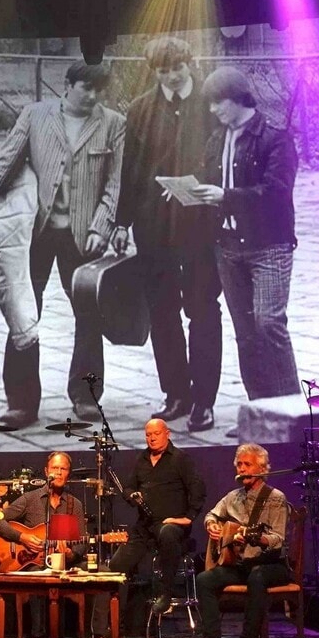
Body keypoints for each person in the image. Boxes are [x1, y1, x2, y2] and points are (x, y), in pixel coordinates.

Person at [0, 62, 126, 428]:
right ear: (67, 85)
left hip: (83, 234)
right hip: (35, 231)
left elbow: (115, 183)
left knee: (89, 311)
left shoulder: (113, 124)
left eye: (99, 90)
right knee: (23, 311)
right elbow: (5, 164)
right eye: (86, 88)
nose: (93, 96)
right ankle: (21, 402)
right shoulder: (35, 115)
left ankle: (86, 395)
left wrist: (102, 226)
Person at [111, 36, 223, 432]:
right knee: (162, 310)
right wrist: (122, 222)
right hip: (153, 225)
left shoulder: (210, 103)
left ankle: (204, 401)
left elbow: (221, 156)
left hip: (199, 225)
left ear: (189, 64)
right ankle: (176, 394)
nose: (173, 76)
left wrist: (201, 183)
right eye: (164, 71)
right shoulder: (141, 109)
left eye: (178, 68)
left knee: (202, 307)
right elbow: (131, 168)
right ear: (154, 72)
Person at [189, 67, 301, 409]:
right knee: (246, 333)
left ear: (238, 98)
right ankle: (260, 410)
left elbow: (276, 192)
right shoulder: (217, 139)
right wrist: (189, 190)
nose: (213, 110)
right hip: (227, 247)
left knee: (269, 323)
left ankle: (291, 410)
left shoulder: (275, 138)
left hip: (269, 246)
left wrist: (225, 196)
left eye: (218, 102)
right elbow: (208, 180)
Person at [90, 418, 206, 638]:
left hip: (172, 526)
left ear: (167, 433)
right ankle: (105, 630)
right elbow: (128, 487)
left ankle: (165, 594)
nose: (152, 438)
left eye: (156, 433)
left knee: (167, 532)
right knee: (115, 567)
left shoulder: (180, 459)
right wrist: (132, 496)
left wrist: (187, 518)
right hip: (145, 526)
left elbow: (198, 490)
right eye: (148, 434)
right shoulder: (142, 459)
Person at [185, 443, 290, 638]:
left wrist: (257, 538)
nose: (241, 469)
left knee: (257, 577)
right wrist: (212, 525)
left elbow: (278, 540)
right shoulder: (233, 497)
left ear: (262, 468)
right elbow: (211, 515)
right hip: (243, 565)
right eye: (239, 464)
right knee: (204, 579)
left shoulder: (276, 498)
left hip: (272, 565)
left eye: (247, 464)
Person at [0, 451, 86, 638]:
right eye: (55, 468)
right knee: (39, 573)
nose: (58, 472)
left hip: (64, 563)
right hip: (33, 562)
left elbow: (82, 541)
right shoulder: (30, 499)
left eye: (63, 469)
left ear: (69, 474)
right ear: (46, 471)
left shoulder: (73, 505)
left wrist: (70, 553)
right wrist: (21, 537)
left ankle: (96, 636)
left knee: (102, 572)